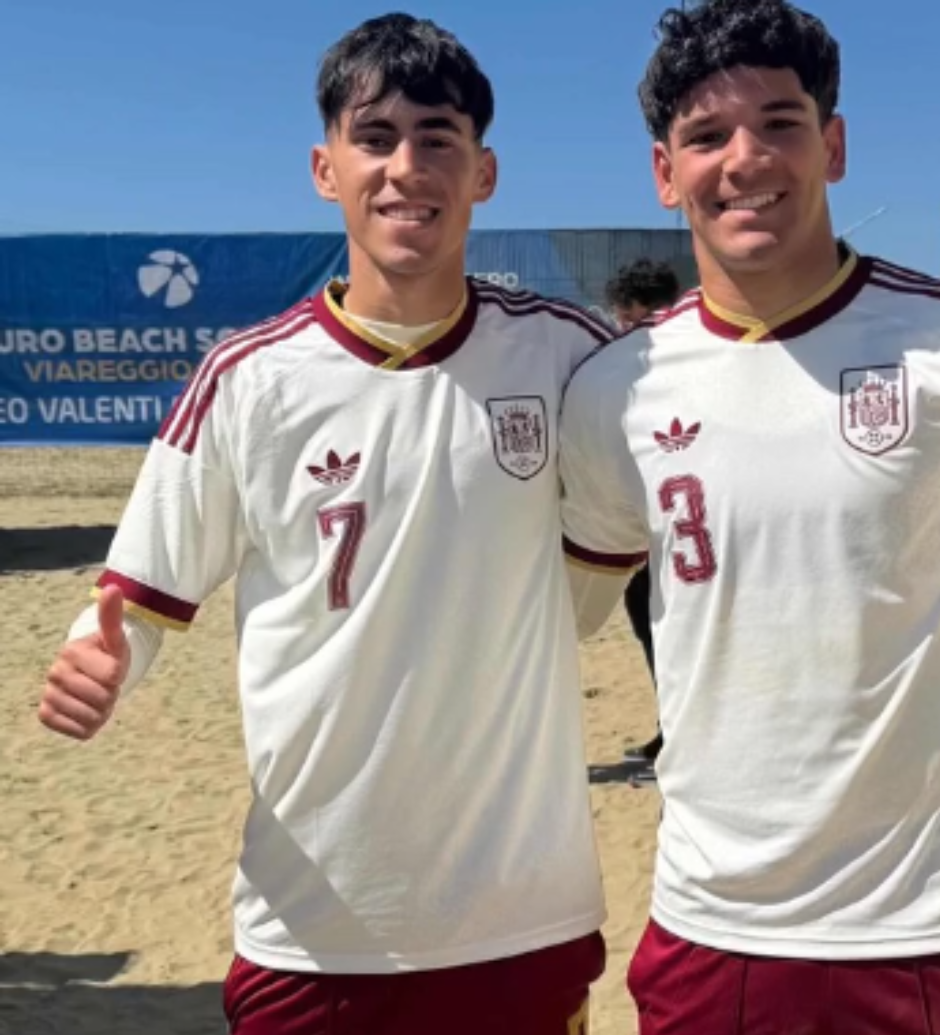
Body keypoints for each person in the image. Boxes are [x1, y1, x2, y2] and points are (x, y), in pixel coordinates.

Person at [559, 2, 940, 1032]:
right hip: (718, 929)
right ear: (665, 172)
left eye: (780, 123)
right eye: (707, 135)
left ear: (832, 145)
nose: (746, 158)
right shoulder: (618, 387)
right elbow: (561, 614)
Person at [37, 15, 610, 1035]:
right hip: (314, 926)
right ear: (324, 168)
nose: (406, 168)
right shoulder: (249, 379)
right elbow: (142, 596)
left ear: (483, 173)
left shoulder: (567, 357)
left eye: (438, 138)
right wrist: (100, 656)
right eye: (374, 137)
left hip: (520, 917)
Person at [603, 259, 684, 770]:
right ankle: (670, 729)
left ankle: (677, 732)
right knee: (662, 634)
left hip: (658, 529)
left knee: (665, 635)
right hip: (664, 526)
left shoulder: (628, 365)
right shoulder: (700, 352)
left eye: (625, 315)